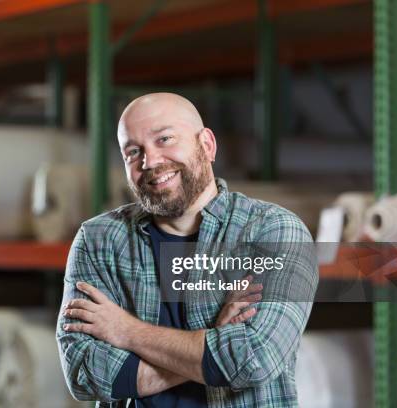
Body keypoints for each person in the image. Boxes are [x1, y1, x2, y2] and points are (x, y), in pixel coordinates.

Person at [56, 93, 318, 407]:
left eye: (164, 139)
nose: (150, 161)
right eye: (133, 151)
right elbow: (85, 373)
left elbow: (253, 359)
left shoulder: (273, 231)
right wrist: (213, 340)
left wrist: (126, 331)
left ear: (207, 145)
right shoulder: (98, 239)